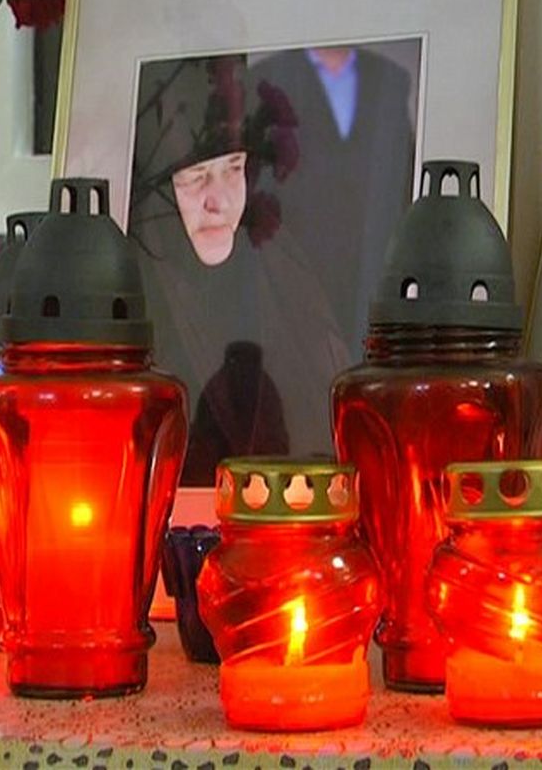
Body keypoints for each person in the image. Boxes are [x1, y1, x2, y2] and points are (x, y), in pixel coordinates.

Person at [130, 54, 347, 483]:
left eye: (233, 169)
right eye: (195, 177)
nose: (220, 201)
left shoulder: (281, 271)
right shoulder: (139, 287)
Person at [248, 43, 417, 362]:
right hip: (295, 274)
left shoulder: (390, 80)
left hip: (369, 273)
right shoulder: (266, 77)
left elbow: (402, 187)